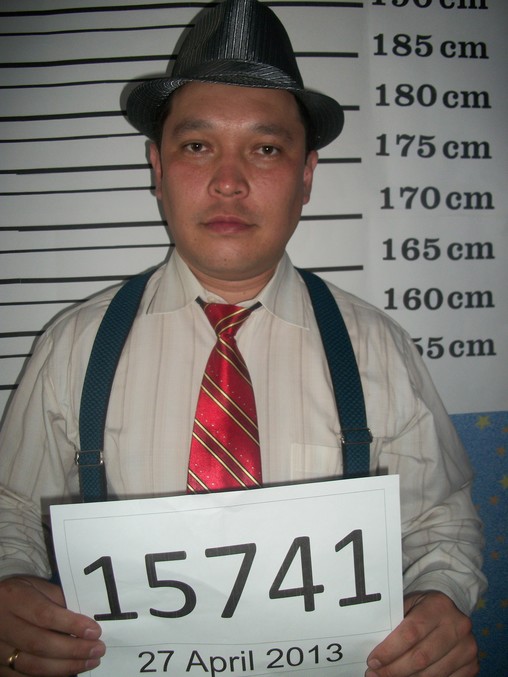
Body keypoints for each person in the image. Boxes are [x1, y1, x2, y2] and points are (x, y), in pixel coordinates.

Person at [0, 0, 485, 675]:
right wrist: (10, 592)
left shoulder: (379, 349)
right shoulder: (73, 348)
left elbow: (440, 523)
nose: (228, 182)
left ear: (306, 176)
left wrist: (440, 597)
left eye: (265, 148)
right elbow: (12, 511)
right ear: (157, 167)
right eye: (198, 146)